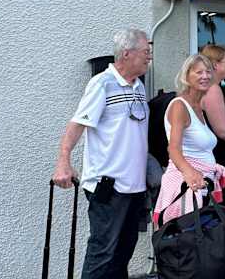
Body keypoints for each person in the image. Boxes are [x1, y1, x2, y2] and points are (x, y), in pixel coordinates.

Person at [52, 28, 151, 279]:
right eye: (145, 51)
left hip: (135, 187)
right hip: (109, 185)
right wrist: (63, 162)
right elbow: (77, 124)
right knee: (103, 253)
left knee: (123, 253)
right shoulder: (102, 84)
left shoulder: (139, 86)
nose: (149, 56)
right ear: (127, 53)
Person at [153, 54, 225, 224]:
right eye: (199, 72)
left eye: (208, 72)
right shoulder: (180, 106)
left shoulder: (198, 107)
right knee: (183, 237)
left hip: (199, 186)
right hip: (184, 187)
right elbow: (173, 148)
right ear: (186, 76)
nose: (205, 76)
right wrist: (189, 172)